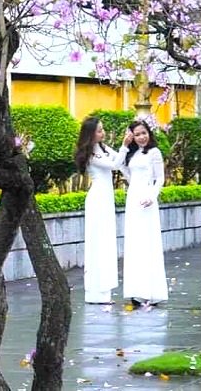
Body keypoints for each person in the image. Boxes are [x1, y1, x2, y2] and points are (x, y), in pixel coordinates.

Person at [74, 115, 127, 304]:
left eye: (102, 129)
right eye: (99, 130)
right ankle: (95, 292)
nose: (102, 133)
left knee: (106, 242)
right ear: (90, 134)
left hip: (106, 199)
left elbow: (121, 161)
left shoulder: (103, 149)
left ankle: (104, 290)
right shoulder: (90, 154)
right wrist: (124, 145)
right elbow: (114, 165)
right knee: (98, 243)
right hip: (97, 200)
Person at [121, 120, 169, 306]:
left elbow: (160, 179)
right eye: (137, 134)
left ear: (148, 133)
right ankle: (136, 291)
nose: (142, 137)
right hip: (133, 199)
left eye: (144, 133)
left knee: (148, 243)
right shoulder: (132, 154)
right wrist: (124, 146)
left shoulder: (154, 152)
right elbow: (125, 171)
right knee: (134, 244)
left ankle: (151, 291)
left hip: (147, 200)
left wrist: (152, 196)